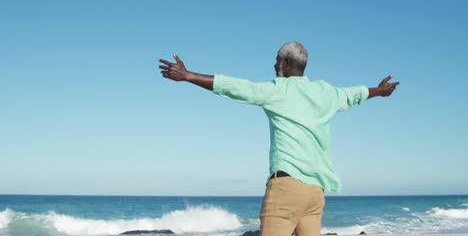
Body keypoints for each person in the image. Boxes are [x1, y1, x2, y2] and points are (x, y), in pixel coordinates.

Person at [158, 42, 399, 236]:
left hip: (287, 188)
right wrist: (380, 91)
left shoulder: (278, 91)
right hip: (315, 193)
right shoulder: (327, 93)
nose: (274, 65)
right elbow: (355, 93)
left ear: (285, 63)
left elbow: (237, 87)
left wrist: (189, 76)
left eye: (276, 60)